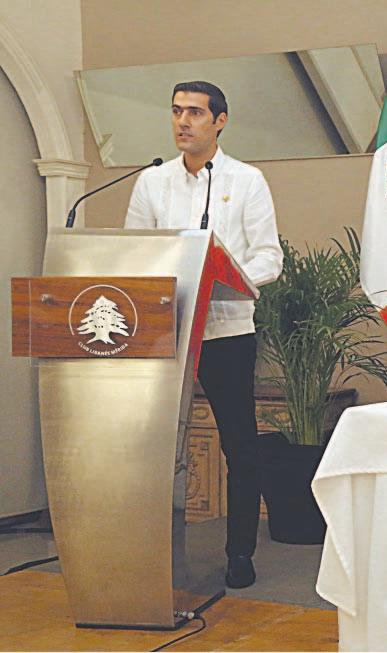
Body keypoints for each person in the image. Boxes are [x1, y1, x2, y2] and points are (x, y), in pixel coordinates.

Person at [125, 81, 283, 588]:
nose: (182, 121)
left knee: (239, 444)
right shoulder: (152, 181)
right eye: (176, 111)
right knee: (149, 443)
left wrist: (229, 279)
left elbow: (269, 256)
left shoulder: (247, 180)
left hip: (225, 329)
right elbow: (136, 253)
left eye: (194, 112)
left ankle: (240, 554)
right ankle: (145, 551)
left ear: (220, 121)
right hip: (163, 330)